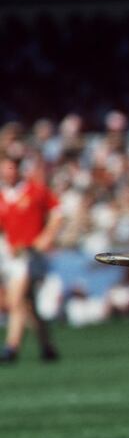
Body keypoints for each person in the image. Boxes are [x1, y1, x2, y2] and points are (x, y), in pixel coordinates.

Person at [0, 154, 63, 363]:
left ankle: (11, 348)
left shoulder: (34, 191)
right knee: (28, 305)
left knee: (16, 299)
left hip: (31, 255)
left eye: (10, 168)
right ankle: (47, 347)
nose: (7, 172)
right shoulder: (2, 196)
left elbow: (57, 212)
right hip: (13, 256)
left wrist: (46, 237)